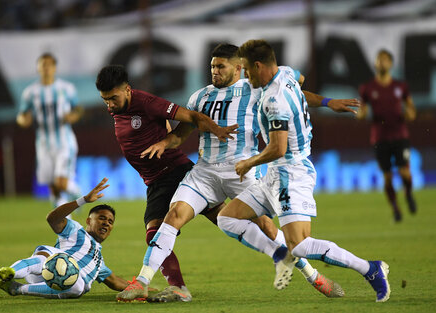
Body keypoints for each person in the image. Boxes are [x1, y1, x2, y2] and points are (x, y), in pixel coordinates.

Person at [117, 43, 362, 302]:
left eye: (220, 66)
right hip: (205, 173)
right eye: (212, 66)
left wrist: (327, 102)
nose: (214, 71)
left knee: (267, 227)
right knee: (173, 215)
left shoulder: (255, 90)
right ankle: (142, 281)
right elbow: (181, 135)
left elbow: (297, 94)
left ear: (238, 68)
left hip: (241, 171)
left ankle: (313, 275)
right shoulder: (199, 97)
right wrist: (163, 143)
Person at [210, 39, 391, 303]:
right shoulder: (285, 72)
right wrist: (327, 101)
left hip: (290, 174)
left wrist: (248, 163)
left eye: (247, 69)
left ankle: (369, 268)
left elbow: (278, 148)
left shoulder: (274, 100)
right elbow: (299, 85)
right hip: (275, 174)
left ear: (259, 66)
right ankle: (278, 254)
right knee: (227, 218)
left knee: (301, 245)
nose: (245, 76)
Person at [95, 65, 238, 302]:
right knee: (227, 221)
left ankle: (281, 244)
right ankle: (178, 288)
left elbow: (191, 117)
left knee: (226, 222)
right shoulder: (117, 108)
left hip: (174, 172)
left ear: (128, 90)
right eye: (105, 100)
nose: (109, 104)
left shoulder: (146, 102)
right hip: (155, 181)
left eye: (112, 98)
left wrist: (217, 130)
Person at [0, 178, 131, 298]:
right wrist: (83, 200)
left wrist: (142, 287)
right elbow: (52, 219)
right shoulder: (76, 230)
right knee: (51, 255)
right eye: (102, 218)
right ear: (88, 221)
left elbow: (116, 282)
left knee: (78, 287)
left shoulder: (100, 263)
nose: (106, 222)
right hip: (45, 270)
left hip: (65, 285)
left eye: (110, 221)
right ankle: (8, 272)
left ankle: (17, 288)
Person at [16, 52, 83, 208]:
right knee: (53, 187)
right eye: (42, 65)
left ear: (54, 68)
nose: (46, 68)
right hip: (43, 144)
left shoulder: (66, 88)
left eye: (49, 65)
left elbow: (78, 109)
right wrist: (23, 121)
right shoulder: (30, 92)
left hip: (64, 142)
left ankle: (77, 192)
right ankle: (65, 226)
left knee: (61, 182)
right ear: (38, 68)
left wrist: (73, 116)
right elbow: (21, 115)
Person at [357, 49, 417, 222]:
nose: (382, 63)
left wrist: (410, 114)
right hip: (380, 137)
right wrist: (359, 115)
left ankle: (408, 193)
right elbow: (363, 111)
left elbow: (411, 108)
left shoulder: (401, 86)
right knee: (388, 177)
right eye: (379, 59)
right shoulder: (368, 88)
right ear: (375, 64)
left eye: (385, 59)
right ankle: (396, 209)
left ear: (391, 64)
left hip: (400, 135)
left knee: (405, 173)